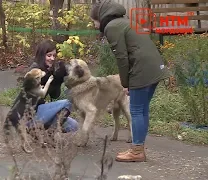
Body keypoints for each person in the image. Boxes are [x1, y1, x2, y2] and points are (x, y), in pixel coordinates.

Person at [90, 0, 171, 162]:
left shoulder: (111, 27)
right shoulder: (126, 22)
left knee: (136, 110)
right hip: (154, 67)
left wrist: (125, 84)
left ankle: (137, 151)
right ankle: (138, 147)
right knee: (142, 110)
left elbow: (122, 58)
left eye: (93, 21)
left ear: (100, 17)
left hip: (141, 69)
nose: (94, 25)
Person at [26, 39, 79, 133]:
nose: (52, 58)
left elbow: (55, 95)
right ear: (42, 55)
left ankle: (42, 131)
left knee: (73, 125)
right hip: (31, 116)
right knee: (67, 103)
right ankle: (49, 135)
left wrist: (58, 80)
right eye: (49, 55)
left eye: (54, 55)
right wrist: (49, 77)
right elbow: (31, 97)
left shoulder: (49, 70)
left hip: (42, 112)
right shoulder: (35, 69)